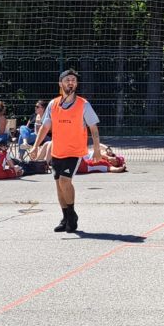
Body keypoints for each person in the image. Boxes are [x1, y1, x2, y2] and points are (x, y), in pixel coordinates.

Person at [30, 70, 105, 233]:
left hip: (75, 151)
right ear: (61, 83)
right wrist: (35, 146)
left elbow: (93, 128)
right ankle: (65, 218)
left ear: (76, 84)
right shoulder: (53, 104)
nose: (71, 82)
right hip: (57, 150)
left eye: (73, 80)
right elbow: (45, 127)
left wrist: (97, 149)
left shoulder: (83, 104)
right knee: (59, 185)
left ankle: (71, 216)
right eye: (67, 79)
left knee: (65, 181)